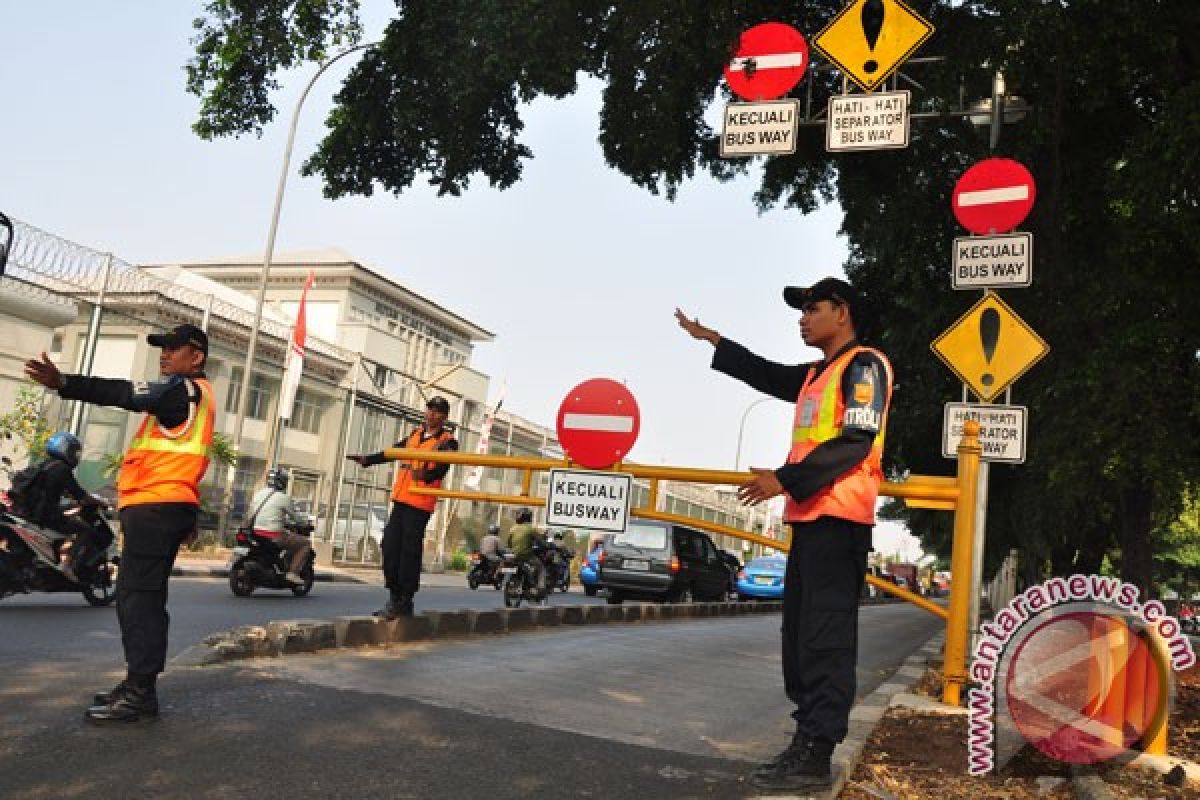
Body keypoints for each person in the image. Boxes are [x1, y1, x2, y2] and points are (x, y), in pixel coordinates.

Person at [675, 276, 893, 791]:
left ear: (842, 312)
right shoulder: (818, 374)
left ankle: (817, 756)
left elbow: (856, 441)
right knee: (798, 641)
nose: (802, 319)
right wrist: (716, 341)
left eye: (812, 309)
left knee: (825, 642)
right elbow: (766, 373)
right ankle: (804, 741)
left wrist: (784, 478)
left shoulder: (864, 365)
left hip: (839, 523)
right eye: (802, 311)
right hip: (810, 520)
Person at [25, 323, 215, 724]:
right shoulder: (195, 396)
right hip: (164, 506)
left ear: (196, 356)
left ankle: (140, 694)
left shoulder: (179, 391)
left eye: (173, 348)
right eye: (162, 348)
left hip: (156, 509)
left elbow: (123, 393)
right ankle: (136, 686)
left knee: (138, 600)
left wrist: (65, 383)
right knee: (142, 598)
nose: (164, 355)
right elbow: (183, 461)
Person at [346, 395, 458, 619]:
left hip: (420, 504)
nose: (432, 414)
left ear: (444, 417)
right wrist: (368, 460)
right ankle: (394, 595)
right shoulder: (415, 435)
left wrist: (426, 475)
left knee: (409, 552)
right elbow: (392, 452)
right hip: (401, 500)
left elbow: (442, 468)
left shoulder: (447, 442)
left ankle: (405, 599)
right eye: (429, 409)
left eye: (437, 411)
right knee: (389, 546)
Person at [9, 431, 108, 579]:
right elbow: (81, 495)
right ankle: (66, 565)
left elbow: (51, 490)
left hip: (25, 512)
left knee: (67, 512)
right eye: (73, 451)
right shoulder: (62, 469)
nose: (75, 455)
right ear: (65, 449)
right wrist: (102, 502)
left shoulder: (43, 465)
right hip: (44, 516)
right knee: (85, 530)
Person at [247, 467, 311, 584]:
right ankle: (292, 573)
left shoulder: (258, 494)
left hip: (256, 533)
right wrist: (306, 524)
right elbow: (297, 518)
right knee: (305, 543)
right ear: (282, 482)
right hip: (274, 536)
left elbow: (252, 513)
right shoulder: (283, 498)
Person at [507, 507, 546, 598]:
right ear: (528, 517)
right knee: (541, 568)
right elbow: (540, 541)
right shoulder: (530, 529)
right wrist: (545, 545)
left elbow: (509, 543)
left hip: (513, 555)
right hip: (526, 555)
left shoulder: (513, 528)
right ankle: (540, 589)